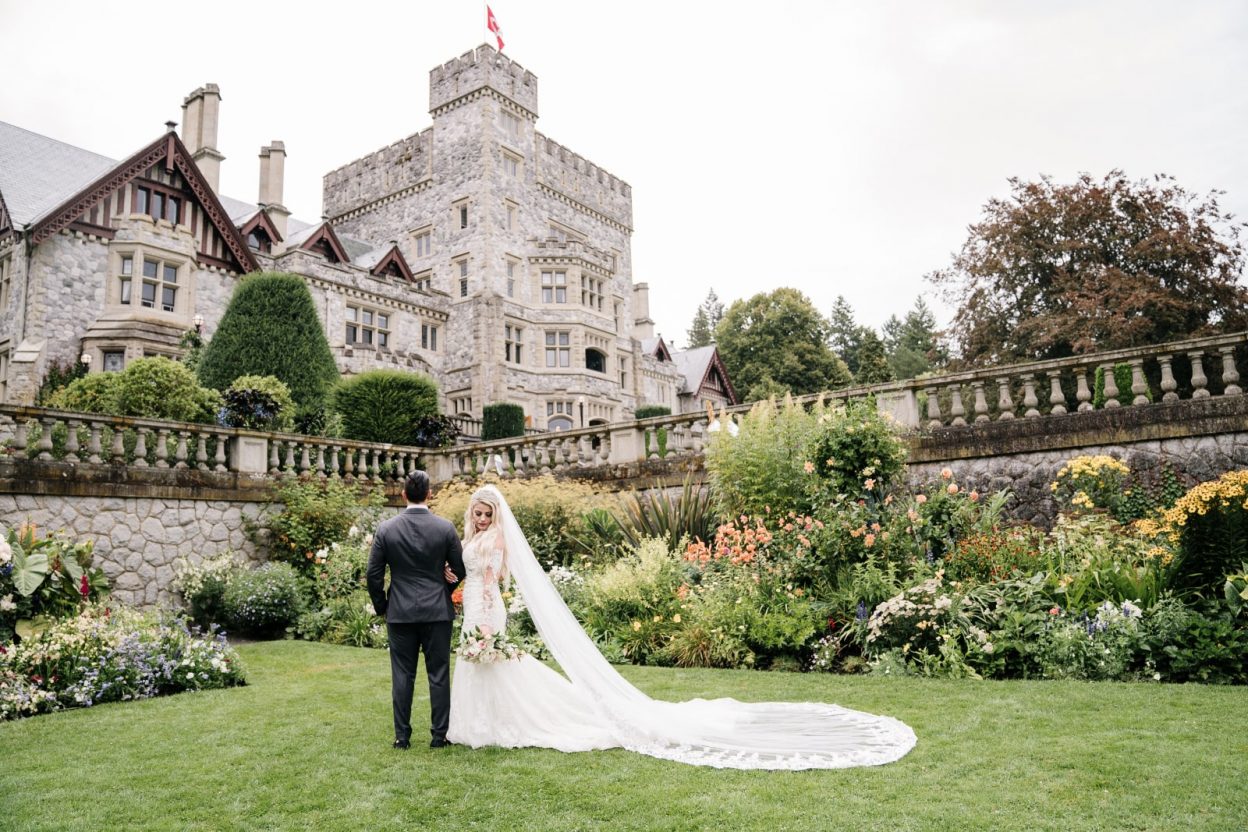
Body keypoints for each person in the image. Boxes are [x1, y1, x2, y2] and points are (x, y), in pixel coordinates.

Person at [445, 484, 917, 770]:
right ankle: (482, 721)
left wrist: (482, 576)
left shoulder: (499, 537)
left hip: (488, 606)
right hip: (473, 603)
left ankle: (500, 720)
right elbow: (472, 567)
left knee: (494, 657)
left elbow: (501, 573)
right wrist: (459, 577)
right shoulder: (473, 536)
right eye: (478, 513)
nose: (481, 518)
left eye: (487, 513)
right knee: (482, 659)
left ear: (496, 514)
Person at [367, 470, 465, 749]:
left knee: (402, 674)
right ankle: (439, 736)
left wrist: (383, 606)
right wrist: (443, 589)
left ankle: (402, 737)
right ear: (429, 495)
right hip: (437, 612)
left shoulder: (386, 529)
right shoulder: (445, 528)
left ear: (403, 494)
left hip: (400, 612)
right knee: (439, 673)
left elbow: (373, 574)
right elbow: (459, 568)